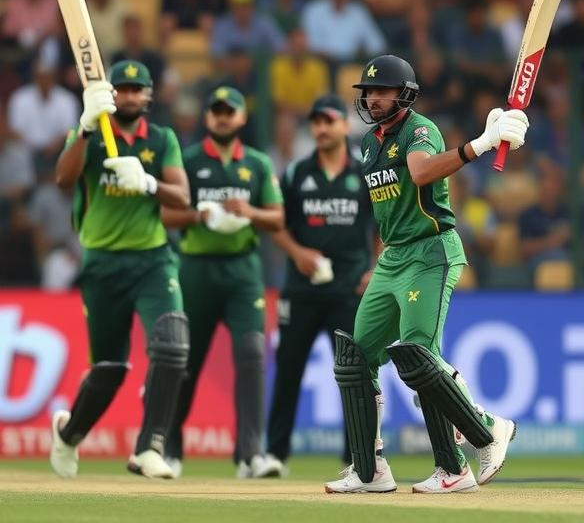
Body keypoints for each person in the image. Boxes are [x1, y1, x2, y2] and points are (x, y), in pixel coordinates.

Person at [324, 54, 529, 494]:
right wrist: (377, 263)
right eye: (368, 91)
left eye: (381, 91)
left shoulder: (422, 130)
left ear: (404, 94)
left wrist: (480, 144)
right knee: (356, 357)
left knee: (418, 355)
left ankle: (480, 437)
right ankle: (369, 471)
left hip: (431, 252)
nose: (372, 98)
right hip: (393, 257)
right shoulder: (367, 142)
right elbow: (387, 211)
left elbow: (418, 174)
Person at [49, 60, 191, 479]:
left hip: (152, 260)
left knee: (172, 345)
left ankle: (150, 448)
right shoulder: (89, 133)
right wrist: (87, 127)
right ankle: (69, 433)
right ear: (111, 93)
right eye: (122, 88)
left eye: (136, 89)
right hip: (102, 264)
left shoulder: (161, 139)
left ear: (148, 95)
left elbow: (181, 197)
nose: (128, 95)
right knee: (110, 369)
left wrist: (147, 182)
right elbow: (62, 179)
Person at [162, 86, 284, 479]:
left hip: (243, 272)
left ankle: (250, 455)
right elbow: (166, 215)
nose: (222, 117)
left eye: (229, 111)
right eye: (215, 111)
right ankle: (169, 450)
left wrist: (248, 211)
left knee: (251, 357)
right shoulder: (189, 159)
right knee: (186, 363)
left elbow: (277, 219)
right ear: (207, 117)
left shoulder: (257, 163)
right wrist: (201, 215)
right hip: (196, 269)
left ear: (242, 117)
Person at [266, 94, 374, 473]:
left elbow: (385, 224)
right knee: (288, 370)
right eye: (315, 122)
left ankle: (355, 458)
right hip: (300, 291)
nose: (321, 128)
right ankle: (275, 455)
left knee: (353, 375)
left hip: (348, 290)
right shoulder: (296, 172)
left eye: (328, 120)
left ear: (345, 126)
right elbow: (276, 224)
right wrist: (297, 253)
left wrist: (375, 267)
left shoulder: (364, 172)